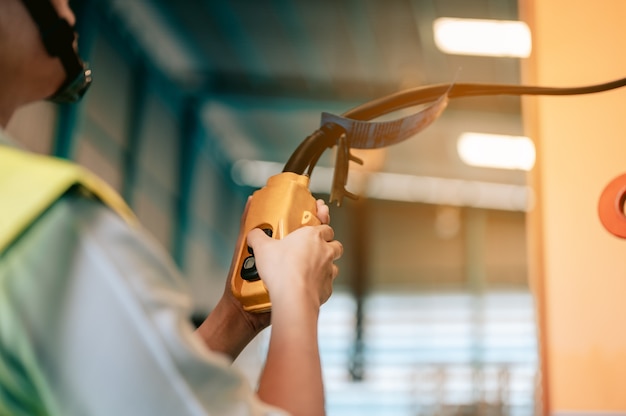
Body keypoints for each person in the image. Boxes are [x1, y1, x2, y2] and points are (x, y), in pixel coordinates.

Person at [0, 0, 343, 415]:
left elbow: (138, 401)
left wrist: (238, 315)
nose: (66, 6)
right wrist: (297, 295)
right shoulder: (49, 227)